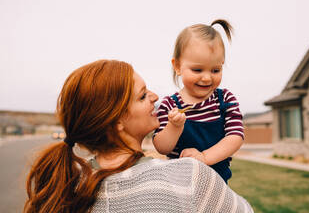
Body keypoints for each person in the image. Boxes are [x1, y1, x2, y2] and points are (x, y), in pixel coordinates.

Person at [24, 60, 254, 213]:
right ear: (117, 121)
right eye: (143, 96)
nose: (155, 97)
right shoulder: (188, 176)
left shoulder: (66, 189)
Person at [153, 19, 245, 183]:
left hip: (217, 183)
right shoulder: (169, 105)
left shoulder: (224, 100)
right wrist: (174, 127)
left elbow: (235, 137)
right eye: (197, 69)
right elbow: (161, 147)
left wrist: (204, 157)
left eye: (215, 70)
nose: (207, 77)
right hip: (179, 184)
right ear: (178, 66)